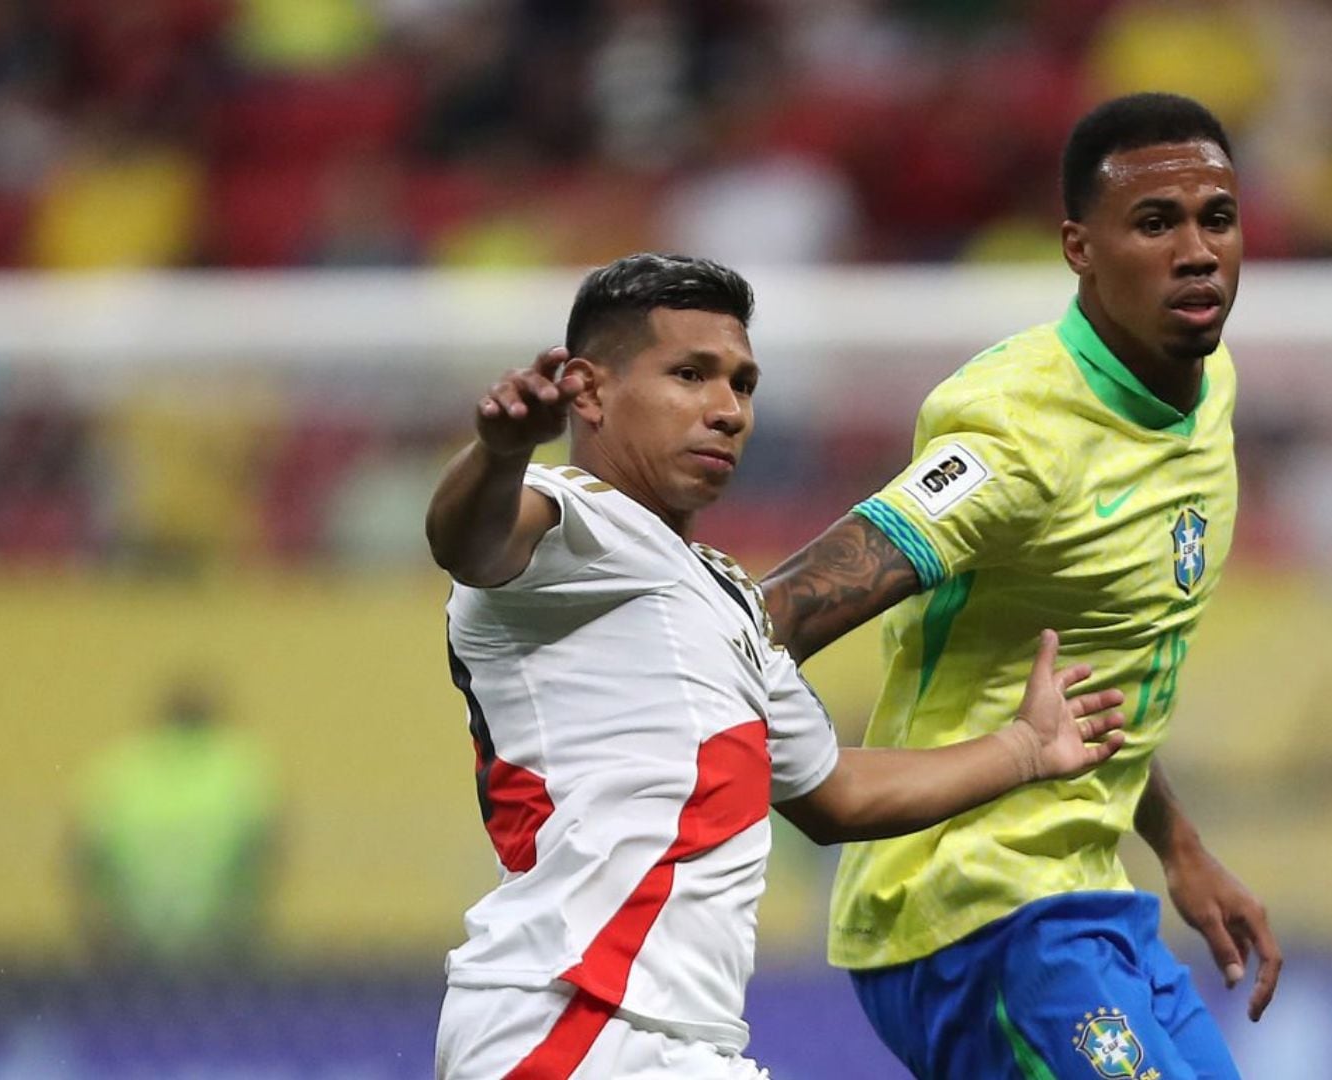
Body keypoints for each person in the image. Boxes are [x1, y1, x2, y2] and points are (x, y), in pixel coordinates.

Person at [424, 252, 1128, 1080]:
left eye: (743, 385)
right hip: (571, 1022)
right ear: (588, 390)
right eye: (691, 374)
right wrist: (500, 452)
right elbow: (467, 541)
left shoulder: (724, 598)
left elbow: (836, 795)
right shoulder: (567, 526)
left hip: (678, 1039)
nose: (727, 411)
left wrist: (1025, 751)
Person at [761, 93, 1281, 1079]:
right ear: (1080, 248)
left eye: (1216, 218)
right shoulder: (1016, 433)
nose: (1199, 251)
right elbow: (778, 616)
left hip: (1086, 899)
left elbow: (1096, 672)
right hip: (970, 911)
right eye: (1156, 223)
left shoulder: (1208, 393)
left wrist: (1180, 849)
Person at [70, 677, 280, 973]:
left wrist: (96, 929)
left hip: (131, 939)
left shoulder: (118, 768)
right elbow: (268, 851)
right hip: (219, 940)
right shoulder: (241, 765)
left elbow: (81, 857)